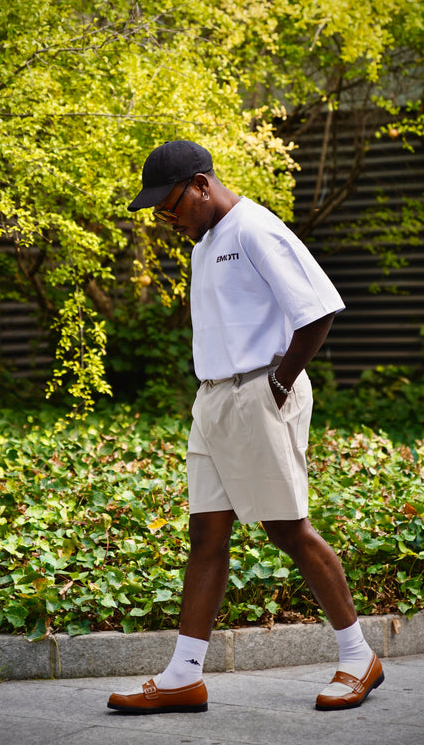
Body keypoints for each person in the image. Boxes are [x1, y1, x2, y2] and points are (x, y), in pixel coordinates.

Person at [108, 140, 383, 715]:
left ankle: (359, 657)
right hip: (212, 401)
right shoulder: (204, 244)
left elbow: (318, 309)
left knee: (288, 530)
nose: (166, 218)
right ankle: (184, 675)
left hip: (260, 391)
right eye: (159, 210)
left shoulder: (256, 229)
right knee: (206, 535)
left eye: (171, 204)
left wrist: (278, 384)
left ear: (202, 184)